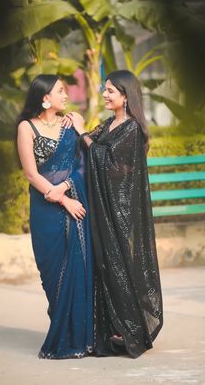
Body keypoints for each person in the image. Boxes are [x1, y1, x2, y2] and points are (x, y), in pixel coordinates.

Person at [67, 70, 163, 358]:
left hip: (120, 211)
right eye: (104, 89)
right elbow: (88, 146)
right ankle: (115, 327)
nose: (105, 95)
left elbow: (105, 160)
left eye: (110, 91)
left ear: (126, 95)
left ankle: (131, 329)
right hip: (105, 207)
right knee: (107, 265)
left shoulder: (131, 127)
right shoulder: (111, 123)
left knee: (120, 265)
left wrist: (83, 132)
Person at [17, 74, 93, 359]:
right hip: (46, 208)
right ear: (45, 97)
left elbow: (82, 163)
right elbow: (30, 173)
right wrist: (60, 198)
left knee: (78, 268)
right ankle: (64, 329)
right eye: (60, 90)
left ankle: (78, 337)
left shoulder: (70, 124)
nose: (66, 94)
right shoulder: (27, 127)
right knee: (51, 273)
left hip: (72, 201)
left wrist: (65, 189)